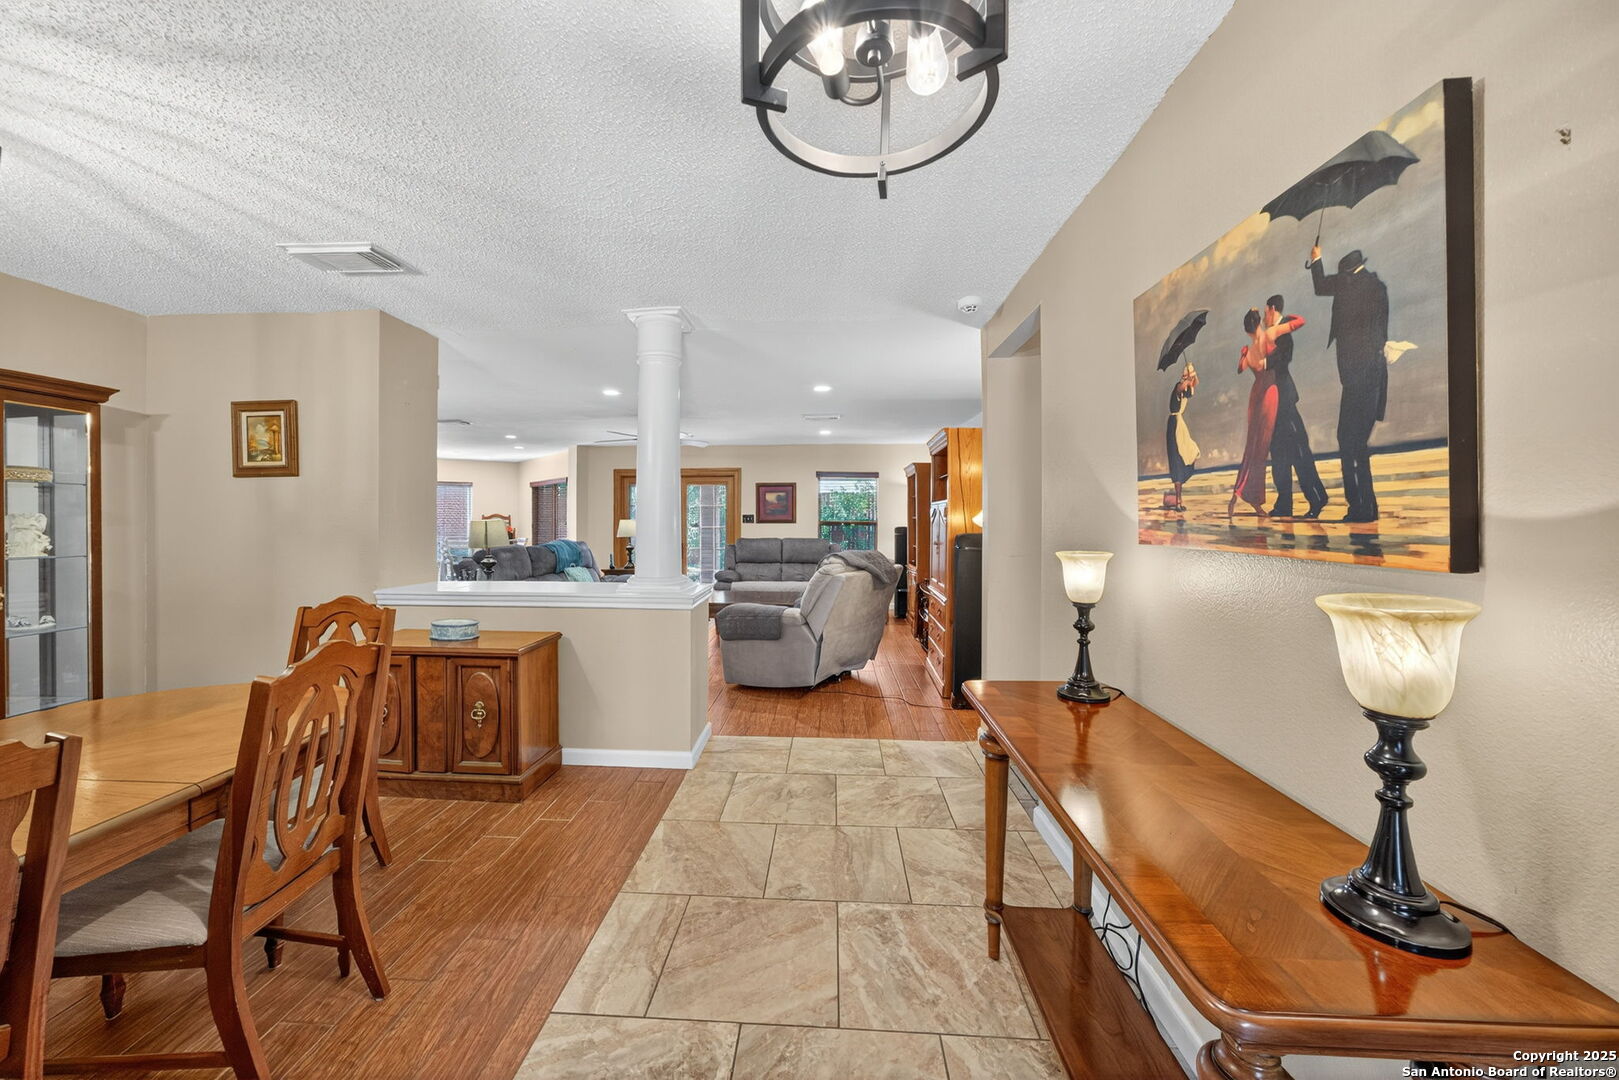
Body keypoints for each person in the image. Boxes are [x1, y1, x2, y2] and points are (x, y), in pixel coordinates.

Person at [1309, 245, 1390, 523]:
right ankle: (1365, 508)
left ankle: (1360, 507)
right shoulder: (1377, 286)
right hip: (1373, 374)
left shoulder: (1349, 283)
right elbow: (1380, 333)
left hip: (1358, 376)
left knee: (1348, 440)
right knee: (1355, 442)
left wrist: (1316, 258)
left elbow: (1320, 286)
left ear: (1346, 270)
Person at [1228, 307, 1305, 519]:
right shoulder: (1270, 334)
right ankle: (1252, 498)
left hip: (1256, 397)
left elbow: (1240, 368)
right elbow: (1300, 321)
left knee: (1253, 447)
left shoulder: (1249, 349)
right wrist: (1282, 320)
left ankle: (1237, 495)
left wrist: (1244, 354)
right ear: (1259, 323)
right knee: (1261, 449)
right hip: (1270, 394)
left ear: (1247, 330)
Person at [1264, 294, 1328, 519]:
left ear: (1272, 309)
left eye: (1265, 312)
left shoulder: (1282, 330)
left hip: (1285, 398)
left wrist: (1265, 362)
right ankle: (1284, 504)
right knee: (1278, 453)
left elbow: (1284, 358)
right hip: (1275, 400)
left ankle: (1317, 498)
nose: (1264, 317)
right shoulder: (1274, 331)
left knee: (1299, 450)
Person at [1164, 362, 1200, 511]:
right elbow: (1181, 387)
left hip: (1179, 425)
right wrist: (1186, 377)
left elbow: (1195, 384)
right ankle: (1178, 502)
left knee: (1189, 453)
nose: (1188, 380)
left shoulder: (1187, 389)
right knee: (1177, 461)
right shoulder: (1179, 387)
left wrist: (1193, 372)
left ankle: (1179, 501)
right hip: (1174, 426)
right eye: (1186, 377)